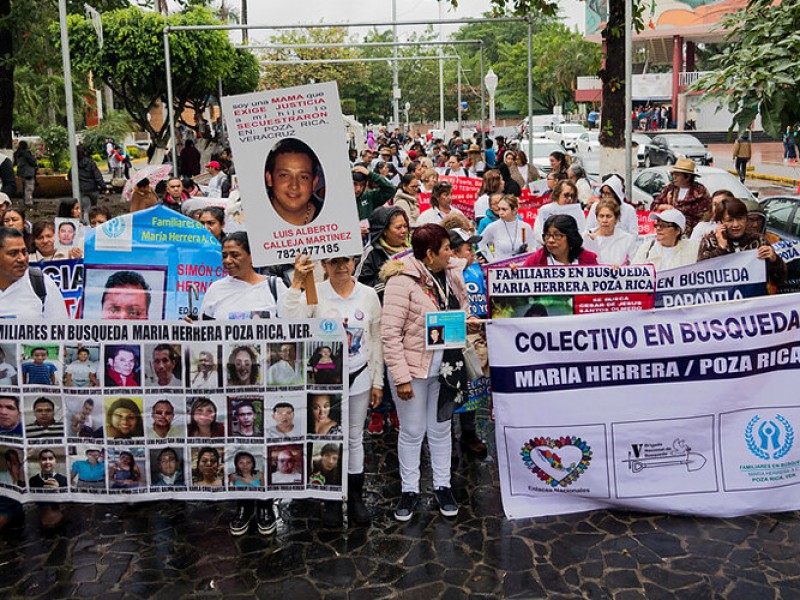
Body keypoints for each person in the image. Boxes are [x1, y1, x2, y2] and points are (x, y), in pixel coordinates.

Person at [381, 224, 469, 521]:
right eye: (445, 249)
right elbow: (390, 334)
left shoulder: (451, 272)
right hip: (414, 372)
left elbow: (460, 311)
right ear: (429, 254)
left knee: (441, 428)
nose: (451, 253)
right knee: (413, 430)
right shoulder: (400, 282)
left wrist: (469, 323)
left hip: (446, 367)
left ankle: (442, 486)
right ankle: (410, 489)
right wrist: (401, 377)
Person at [199, 232, 287, 320]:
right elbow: (203, 327)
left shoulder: (275, 286)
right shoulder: (215, 289)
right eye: (224, 256)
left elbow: (291, 322)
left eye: (235, 255)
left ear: (252, 256)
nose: (227, 261)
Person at [697, 197, 786, 285]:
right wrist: (721, 248)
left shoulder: (759, 240)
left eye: (740, 219)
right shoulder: (710, 241)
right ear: (720, 222)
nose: (736, 225)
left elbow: (780, 279)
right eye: (730, 220)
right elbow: (700, 277)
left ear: (746, 219)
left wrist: (775, 260)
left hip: (754, 296)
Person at [0, 227, 67, 320]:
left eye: (24, 252)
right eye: (13, 253)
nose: (22, 258)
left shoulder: (42, 283)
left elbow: (60, 330)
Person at [356, 206, 410, 303]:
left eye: (405, 226)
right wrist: (389, 281)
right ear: (384, 231)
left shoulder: (412, 249)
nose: (404, 231)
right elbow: (359, 286)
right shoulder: (370, 253)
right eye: (398, 227)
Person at [264, 138, 322, 225]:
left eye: (303, 177)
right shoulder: (252, 217)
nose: (294, 185)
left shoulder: (334, 214)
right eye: (284, 175)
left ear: (314, 183)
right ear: (269, 179)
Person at [652, 158, 711, 237]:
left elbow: (706, 213)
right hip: (670, 233)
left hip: (693, 233)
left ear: (687, 177)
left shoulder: (700, 191)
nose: (674, 177)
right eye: (673, 174)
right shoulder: (670, 189)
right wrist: (666, 207)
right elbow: (654, 205)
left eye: (677, 175)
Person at [631, 209, 699, 270]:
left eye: (663, 225)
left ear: (677, 231)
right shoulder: (646, 248)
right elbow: (633, 273)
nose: (658, 228)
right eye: (657, 225)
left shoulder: (693, 248)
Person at [522, 214, 599, 267]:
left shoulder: (588, 260)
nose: (550, 240)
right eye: (547, 235)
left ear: (570, 237)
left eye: (557, 235)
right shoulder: (535, 261)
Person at [583, 198, 638, 266]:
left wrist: (622, 269)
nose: (604, 220)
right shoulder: (586, 237)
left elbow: (634, 265)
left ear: (617, 218)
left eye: (608, 216)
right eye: (601, 216)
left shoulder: (628, 239)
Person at [532, 181, 587, 248]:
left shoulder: (578, 212)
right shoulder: (545, 209)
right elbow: (538, 232)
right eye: (566, 195)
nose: (570, 199)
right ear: (557, 194)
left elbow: (583, 231)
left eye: (572, 196)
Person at [480, 195, 533, 261]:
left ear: (514, 210)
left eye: (504, 209)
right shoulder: (493, 226)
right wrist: (491, 259)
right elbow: (481, 242)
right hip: (500, 268)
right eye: (499, 209)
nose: (500, 213)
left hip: (521, 267)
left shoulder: (526, 227)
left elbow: (532, 249)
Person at [73, 145, 107, 224]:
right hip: (93, 189)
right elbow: (97, 175)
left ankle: (88, 225)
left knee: (86, 209)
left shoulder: (75, 164)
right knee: (93, 208)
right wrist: (103, 187)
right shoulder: (91, 162)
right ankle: (93, 223)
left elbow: (70, 176)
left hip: (82, 190)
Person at [13, 140, 38, 207]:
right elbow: (32, 162)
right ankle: (28, 202)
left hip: (22, 172)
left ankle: (25, 201)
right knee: (29, 188)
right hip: (28, 172)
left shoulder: (17, 153)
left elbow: (15, 163)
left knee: (25, 187)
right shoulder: (26, 153)